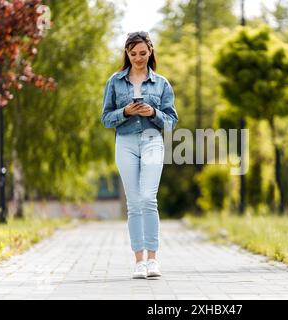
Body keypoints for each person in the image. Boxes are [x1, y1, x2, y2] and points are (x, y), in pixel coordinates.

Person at [101, 31, 178, 279]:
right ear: (127, 53)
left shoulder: (162, 84)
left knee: (147, 198)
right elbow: (105, 119)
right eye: (133, 53)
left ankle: (153, 259)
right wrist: (124, 111)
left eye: (143, 53)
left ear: (151, 51)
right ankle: (138, 261)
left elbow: (171, 121)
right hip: (125, 142)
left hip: (152, 141)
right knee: (134, 203)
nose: (138, 58)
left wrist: (152, 113)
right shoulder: (115, 81)